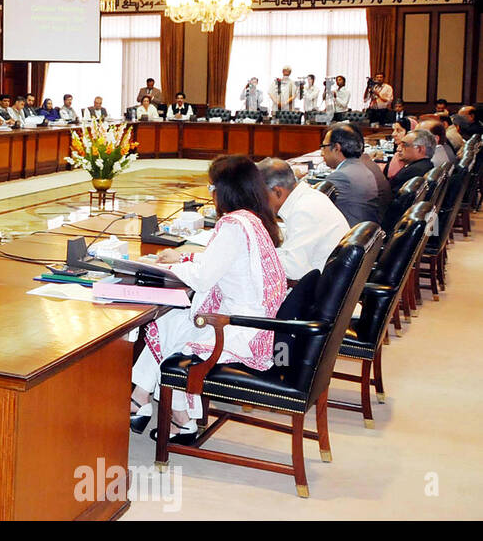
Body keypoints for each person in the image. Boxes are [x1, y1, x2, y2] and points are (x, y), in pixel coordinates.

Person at [129, 155, 288, 443]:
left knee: (174, 324)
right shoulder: (254, 219)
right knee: (172, 319)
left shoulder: (234, 224)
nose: (210, 193)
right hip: (257, 323)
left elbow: (203, 278)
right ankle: (145, 400)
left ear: (224, 190)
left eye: (212, 187)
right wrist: (184, 259)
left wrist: (163, 268)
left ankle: (173, 415)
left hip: (242, 330)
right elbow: (223, 264)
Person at [258, 158, 351, 281]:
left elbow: (293, 269)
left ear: (277, 192)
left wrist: (256, 256)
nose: (259, 202)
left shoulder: (304, 210)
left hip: (316, 290)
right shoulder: (309, 197)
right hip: (322, 280)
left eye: (260, 196)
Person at [321, 122, 383, 226]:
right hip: (364, 231)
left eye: (323, 147)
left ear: (336, 148)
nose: (321, 153)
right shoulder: (361, 167)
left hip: (348, 235)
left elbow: (313, 207)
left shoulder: (340, 177)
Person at [387, 129, 436, 193]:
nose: (398, 149)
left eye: (404, 145)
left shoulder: (414, 171)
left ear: (419, 149)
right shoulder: (427, 165)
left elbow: (390, 197)